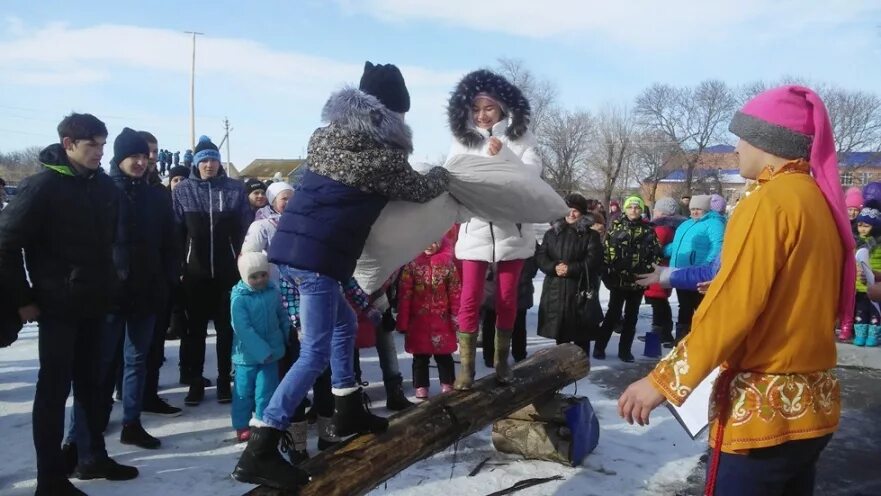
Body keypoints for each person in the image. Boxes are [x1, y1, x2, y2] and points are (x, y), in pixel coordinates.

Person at [619, 85, 854, 496]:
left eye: (741, 136)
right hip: (812, 407)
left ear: (767, 140)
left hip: (763, 414)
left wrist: (664, 380)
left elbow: (735, 306)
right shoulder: (814, 198)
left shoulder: (768, 200)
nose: (736, 148)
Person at [233, 61, 449, 489]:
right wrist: (445, 173)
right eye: (402, 113)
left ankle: (347, 404)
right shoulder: (380, 157)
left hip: (294, 254)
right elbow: (423, 189)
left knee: (344, 324)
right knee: (313, 353)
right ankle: (260, 447)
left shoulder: (327, 137)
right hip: (316, 263)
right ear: (389, 113)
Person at [0, 113, 139, 494]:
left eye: (102, 144)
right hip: (57, 307)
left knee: (93, 387)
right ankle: (50, 478)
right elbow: (5, 244)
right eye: (91, 144)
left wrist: (115, 284)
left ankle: (91, 456)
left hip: (96, 304)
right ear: (68, 145)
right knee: (54, 390)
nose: (99, 152)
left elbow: (110, 246)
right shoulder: (41, 186)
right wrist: (24, 298)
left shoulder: (105, 189)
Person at [445, 69, 541, 389]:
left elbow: (532, 175)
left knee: (506, 299)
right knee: (469, 298)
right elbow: (450, 175)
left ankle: (501, 362)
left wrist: (507, 155)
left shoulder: (520, 138)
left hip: (511, 231)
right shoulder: (463, 141)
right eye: (476, 109)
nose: (482, 115)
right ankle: (467, 368)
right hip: (475, 230)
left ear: (502, 108)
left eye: (488, 108)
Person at [172, 135, 251, 406]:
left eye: (213, 160)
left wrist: (244, 261)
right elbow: (176, 233)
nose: (209, 165)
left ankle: (223, 381)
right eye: (204, 160)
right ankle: (195, 382)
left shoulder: (234, 189)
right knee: (194, 331)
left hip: (228, 273)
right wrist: (180, 267)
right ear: (196, 163)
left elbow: (245, 228)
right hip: (195, 274)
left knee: (226, 329)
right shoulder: (183, 191)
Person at [136, 131, 184, 418]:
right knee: (125, 351)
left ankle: (148, 394)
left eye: (154, 152)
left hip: (158, 280)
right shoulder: (115, 188)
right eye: (145, 152)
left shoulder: (158, 190)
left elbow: (170, 234)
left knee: (153, 346)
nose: (151, 158)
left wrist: (171, 271)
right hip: (124, 282)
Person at [536, 193, 604, 357]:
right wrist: (553, 267)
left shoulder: (590, 235)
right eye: (567, 210)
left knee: (582, 332)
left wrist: (571, 268)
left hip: (580, 287)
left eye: (575, 211)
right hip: (556, 288)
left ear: (582, 213)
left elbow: (593, 260)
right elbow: (541, 256)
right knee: (561, 332)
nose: (571, 214)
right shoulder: (551, 234)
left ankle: (582, 363)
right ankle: (562, 364)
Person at [595, 196, 660, 362]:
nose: (633, 210)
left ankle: (625, 351)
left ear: (641, 210)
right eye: (630, 207)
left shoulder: (648, 230)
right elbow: (605, 253)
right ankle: (599, 347)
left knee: (632, 317)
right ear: (625, 209)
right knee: (613, 315)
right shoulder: (615, 228)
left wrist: (649, 272)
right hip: (618, 280)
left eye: (637, 207)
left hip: (638, 282)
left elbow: (656, 254)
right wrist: (608, 275)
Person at [230, 252, 287, 441]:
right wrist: (262, 351)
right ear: (244, 277)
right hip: (246, 356)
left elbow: (282, 317)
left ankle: (263, 422)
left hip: (272, 353)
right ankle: (241, 424)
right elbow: (243, 329)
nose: (260, 279)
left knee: (266, 390)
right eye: (253, 276)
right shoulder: (239, 299)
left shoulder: (273, 292)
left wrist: (287, 338)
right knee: (243, 392)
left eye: (263, 274)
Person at [397, 238, 461, 398]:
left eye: (433, 241)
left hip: (442, 320)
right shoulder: (412, 264)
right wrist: (403, 320)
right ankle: (421, 385)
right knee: (420, 356)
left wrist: (456, 315)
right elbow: (405, 294)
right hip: (418, 321)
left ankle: (447, 382)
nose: (429, 245)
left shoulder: (447, 264)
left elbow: (455, 292)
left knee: (444, 355)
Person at [664, 194, 725, 342]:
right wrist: (664, 250)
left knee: (701, 307)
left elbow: (717, 248)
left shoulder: (714, 224)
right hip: (681, 273)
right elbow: (678, 245)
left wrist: (706, 267)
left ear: (706, 209)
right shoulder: (686, 224)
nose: (694, 212)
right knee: (684, 307)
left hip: (699, 274)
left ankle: (703, 339)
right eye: (692, 209)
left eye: (698, 209)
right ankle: (681, 341)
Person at [480, 250, 538, 367]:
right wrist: (487, 272)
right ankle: (490, 356)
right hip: (491, 285)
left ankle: (519, 354)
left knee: (518, 324)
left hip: (519, 284)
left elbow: (535, 255)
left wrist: (524, 274)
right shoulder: (489, 235)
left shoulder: (524, 234)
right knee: (489, 323)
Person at [640, 197, 685, 347]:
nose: (654, 211)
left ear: (663, 212)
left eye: (657, 209)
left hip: (657, 269)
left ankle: (660, 334)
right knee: (660, 302)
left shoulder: (661, 228)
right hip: (664, 269)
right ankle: (661, 334)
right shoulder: (673, 227)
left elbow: (653, 248)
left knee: (658, 303)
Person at [853, 206, 881, 347]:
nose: (862, 229)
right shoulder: (855, 241)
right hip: (859, 285)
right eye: (860, 225)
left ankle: (873, 335)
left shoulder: (878, 243)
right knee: (861, 311)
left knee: (875, 313)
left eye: (867, 226)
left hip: (875, 286)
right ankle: (860, 334)